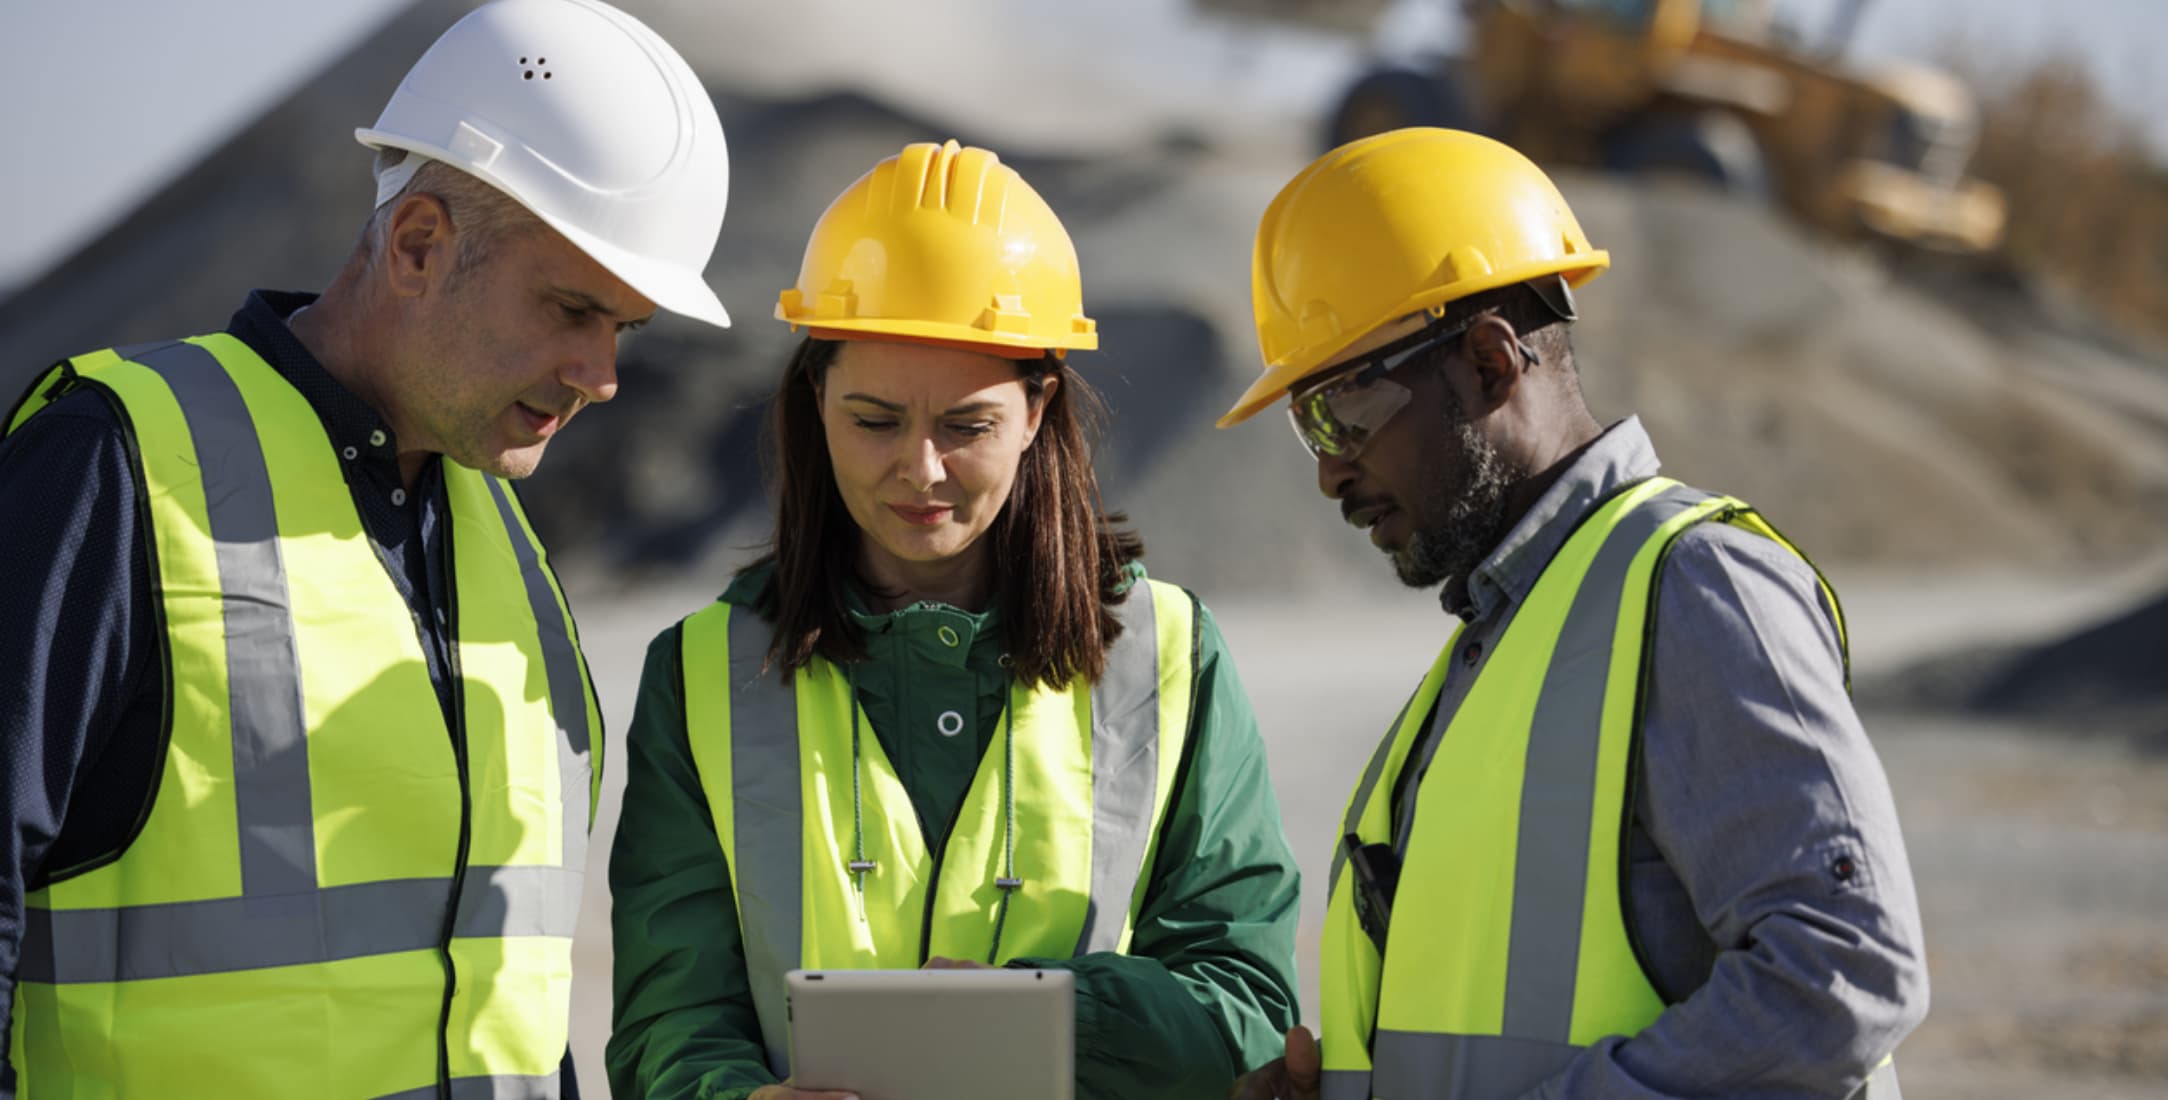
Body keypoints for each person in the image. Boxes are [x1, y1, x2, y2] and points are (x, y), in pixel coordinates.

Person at [0, 1, 731, 1095]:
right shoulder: (116, 462)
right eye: (572, 308)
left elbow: (511, 986)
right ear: (418, 244)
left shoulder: (508, 550)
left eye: (621, 329)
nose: (601, 375)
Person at [1222, 128, 1928, 1099]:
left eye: (1340, 409)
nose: (1327, 469)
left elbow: (1842, 972)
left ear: (1486, 359)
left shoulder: (1693, 586)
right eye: (1307, 424)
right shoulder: (1507, 636)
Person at [606, 139, 1302, 1100]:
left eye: (967, 426)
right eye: (875, 420)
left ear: (1037, 408)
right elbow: (666, 1025)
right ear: (815, 404)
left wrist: (1041, 1022)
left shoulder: (1171, 657)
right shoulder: (698, 673)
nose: (921, 470)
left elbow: (1246, 1004)